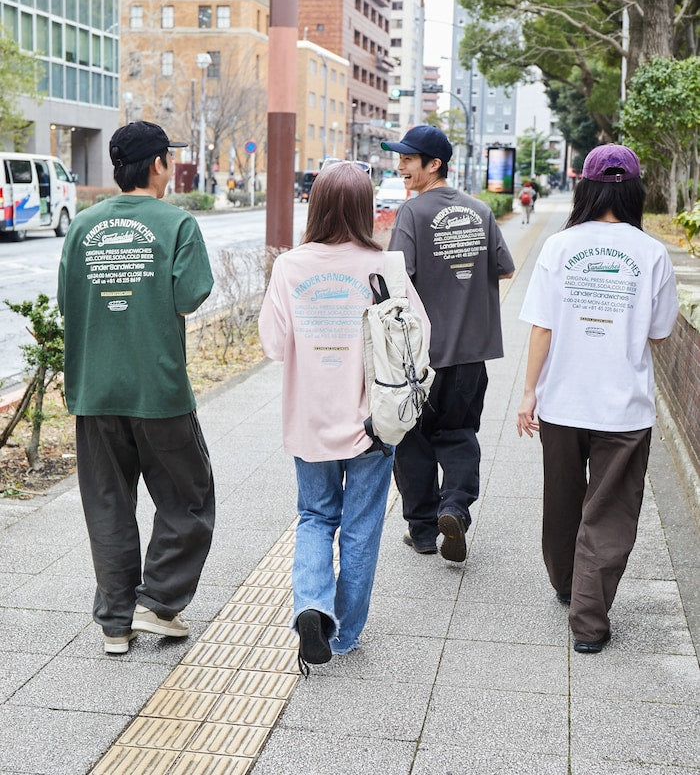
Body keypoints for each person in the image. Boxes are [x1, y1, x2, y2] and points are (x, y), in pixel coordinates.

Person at [258, 160, 430, 673]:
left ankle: (313, 605)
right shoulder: (387, 266)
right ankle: (345, 635)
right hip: (374, 423)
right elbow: (420, 340)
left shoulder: (290, 266)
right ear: (364, 208)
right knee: (361, 526)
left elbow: (272, 344)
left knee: (315, 517)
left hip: (308, 419)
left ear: (315, 205)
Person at [57, 121, 216, 655]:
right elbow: (191, 295)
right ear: (157, 165)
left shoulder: (82, 225)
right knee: (188, 498)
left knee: (107, 502)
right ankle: (159, 602)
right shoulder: (177, 224)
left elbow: (68, 300)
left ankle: (115, 624)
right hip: (159, 389)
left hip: (92, 388)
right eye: (168, 159)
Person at [516, 143, 678, 653]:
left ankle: (567, 582)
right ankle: (589, 621)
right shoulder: (651, 252)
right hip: (624, 407)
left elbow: (541, 329)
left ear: (585, 187)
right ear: (634, 191)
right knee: (609, 511)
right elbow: (659, 331)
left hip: (562, 400)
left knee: (562, 501)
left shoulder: (561, 247)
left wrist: (528, 394)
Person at [381, 126, 515, 562]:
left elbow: (393, 282)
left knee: (413, 439)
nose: (400, 166)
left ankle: (422, 532)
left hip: (421, 357)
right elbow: (504, 268)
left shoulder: (412, 213)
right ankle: (454, 507)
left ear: (433, 163)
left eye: (407, 159)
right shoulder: (480, 211)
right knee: (459, 434)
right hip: (471, 353)